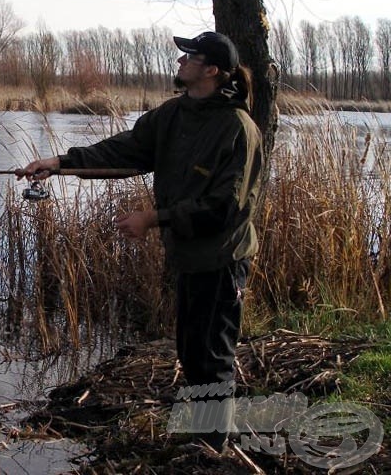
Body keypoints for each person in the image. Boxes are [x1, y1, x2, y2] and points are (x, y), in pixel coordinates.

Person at [17, 31, 263, 451]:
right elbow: (124, 150)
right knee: (190, 350)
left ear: (212, 70)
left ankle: (212, 446)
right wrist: (59, 163)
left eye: (191, 56)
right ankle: (203, 435)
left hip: (222, 259)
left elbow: (225, 208)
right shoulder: (173, 115)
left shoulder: (237, 130)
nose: (181, 60)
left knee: (212, 355)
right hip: (188, 256)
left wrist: (153, 218)